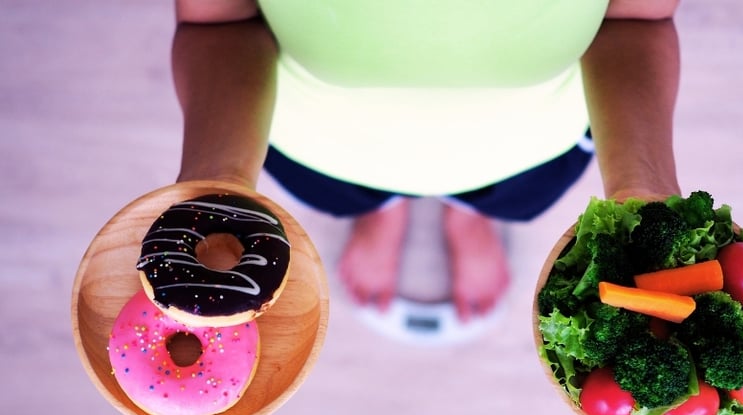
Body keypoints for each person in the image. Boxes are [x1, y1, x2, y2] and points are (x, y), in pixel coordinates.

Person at [171, 0, 682, 322]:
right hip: (318, 136)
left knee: (516, 198)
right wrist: (218, 184)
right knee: (339, 194)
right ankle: (388, 209)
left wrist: (642, 196)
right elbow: (221, 21)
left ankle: (465, 214)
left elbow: (635, 16)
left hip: (532, 138)